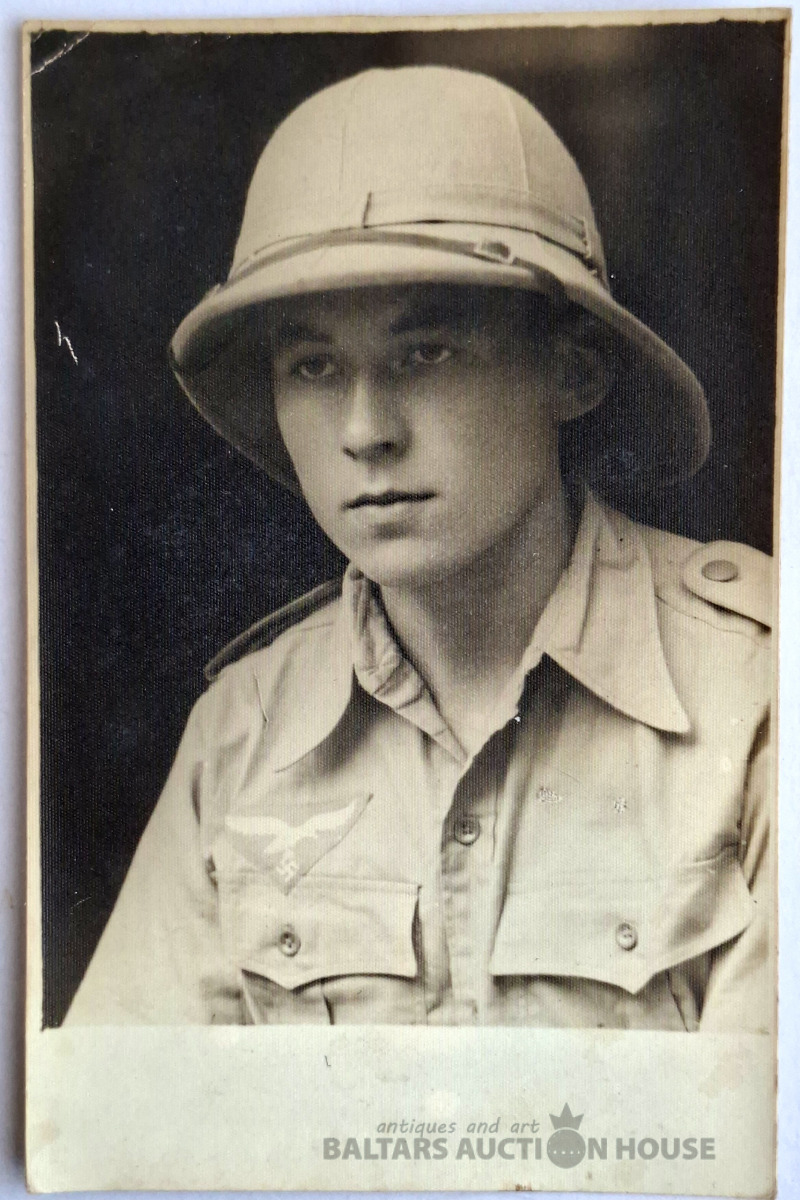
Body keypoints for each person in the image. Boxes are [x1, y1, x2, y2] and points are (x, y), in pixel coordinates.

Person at [65, 65, 773, 1029]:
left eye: (425, 354)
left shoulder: (756, 699)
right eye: (314, 365)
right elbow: (130, 1119)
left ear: (571, 371)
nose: (366, 431)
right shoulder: (241, 736)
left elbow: (763, 1122)